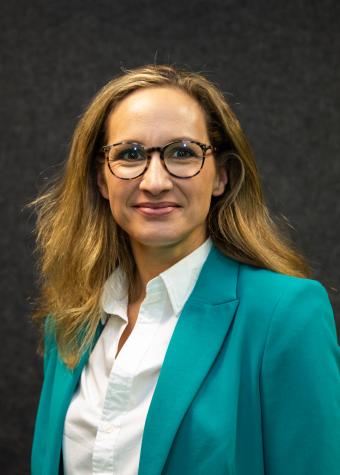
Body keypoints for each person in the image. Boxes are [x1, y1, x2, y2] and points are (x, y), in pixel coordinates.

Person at [30, 64, 339, 475]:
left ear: (221, 177)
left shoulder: (284, 314)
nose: (154, 181)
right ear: (102, 181)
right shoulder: (71, 321)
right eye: (130, 154)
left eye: (182, 153)